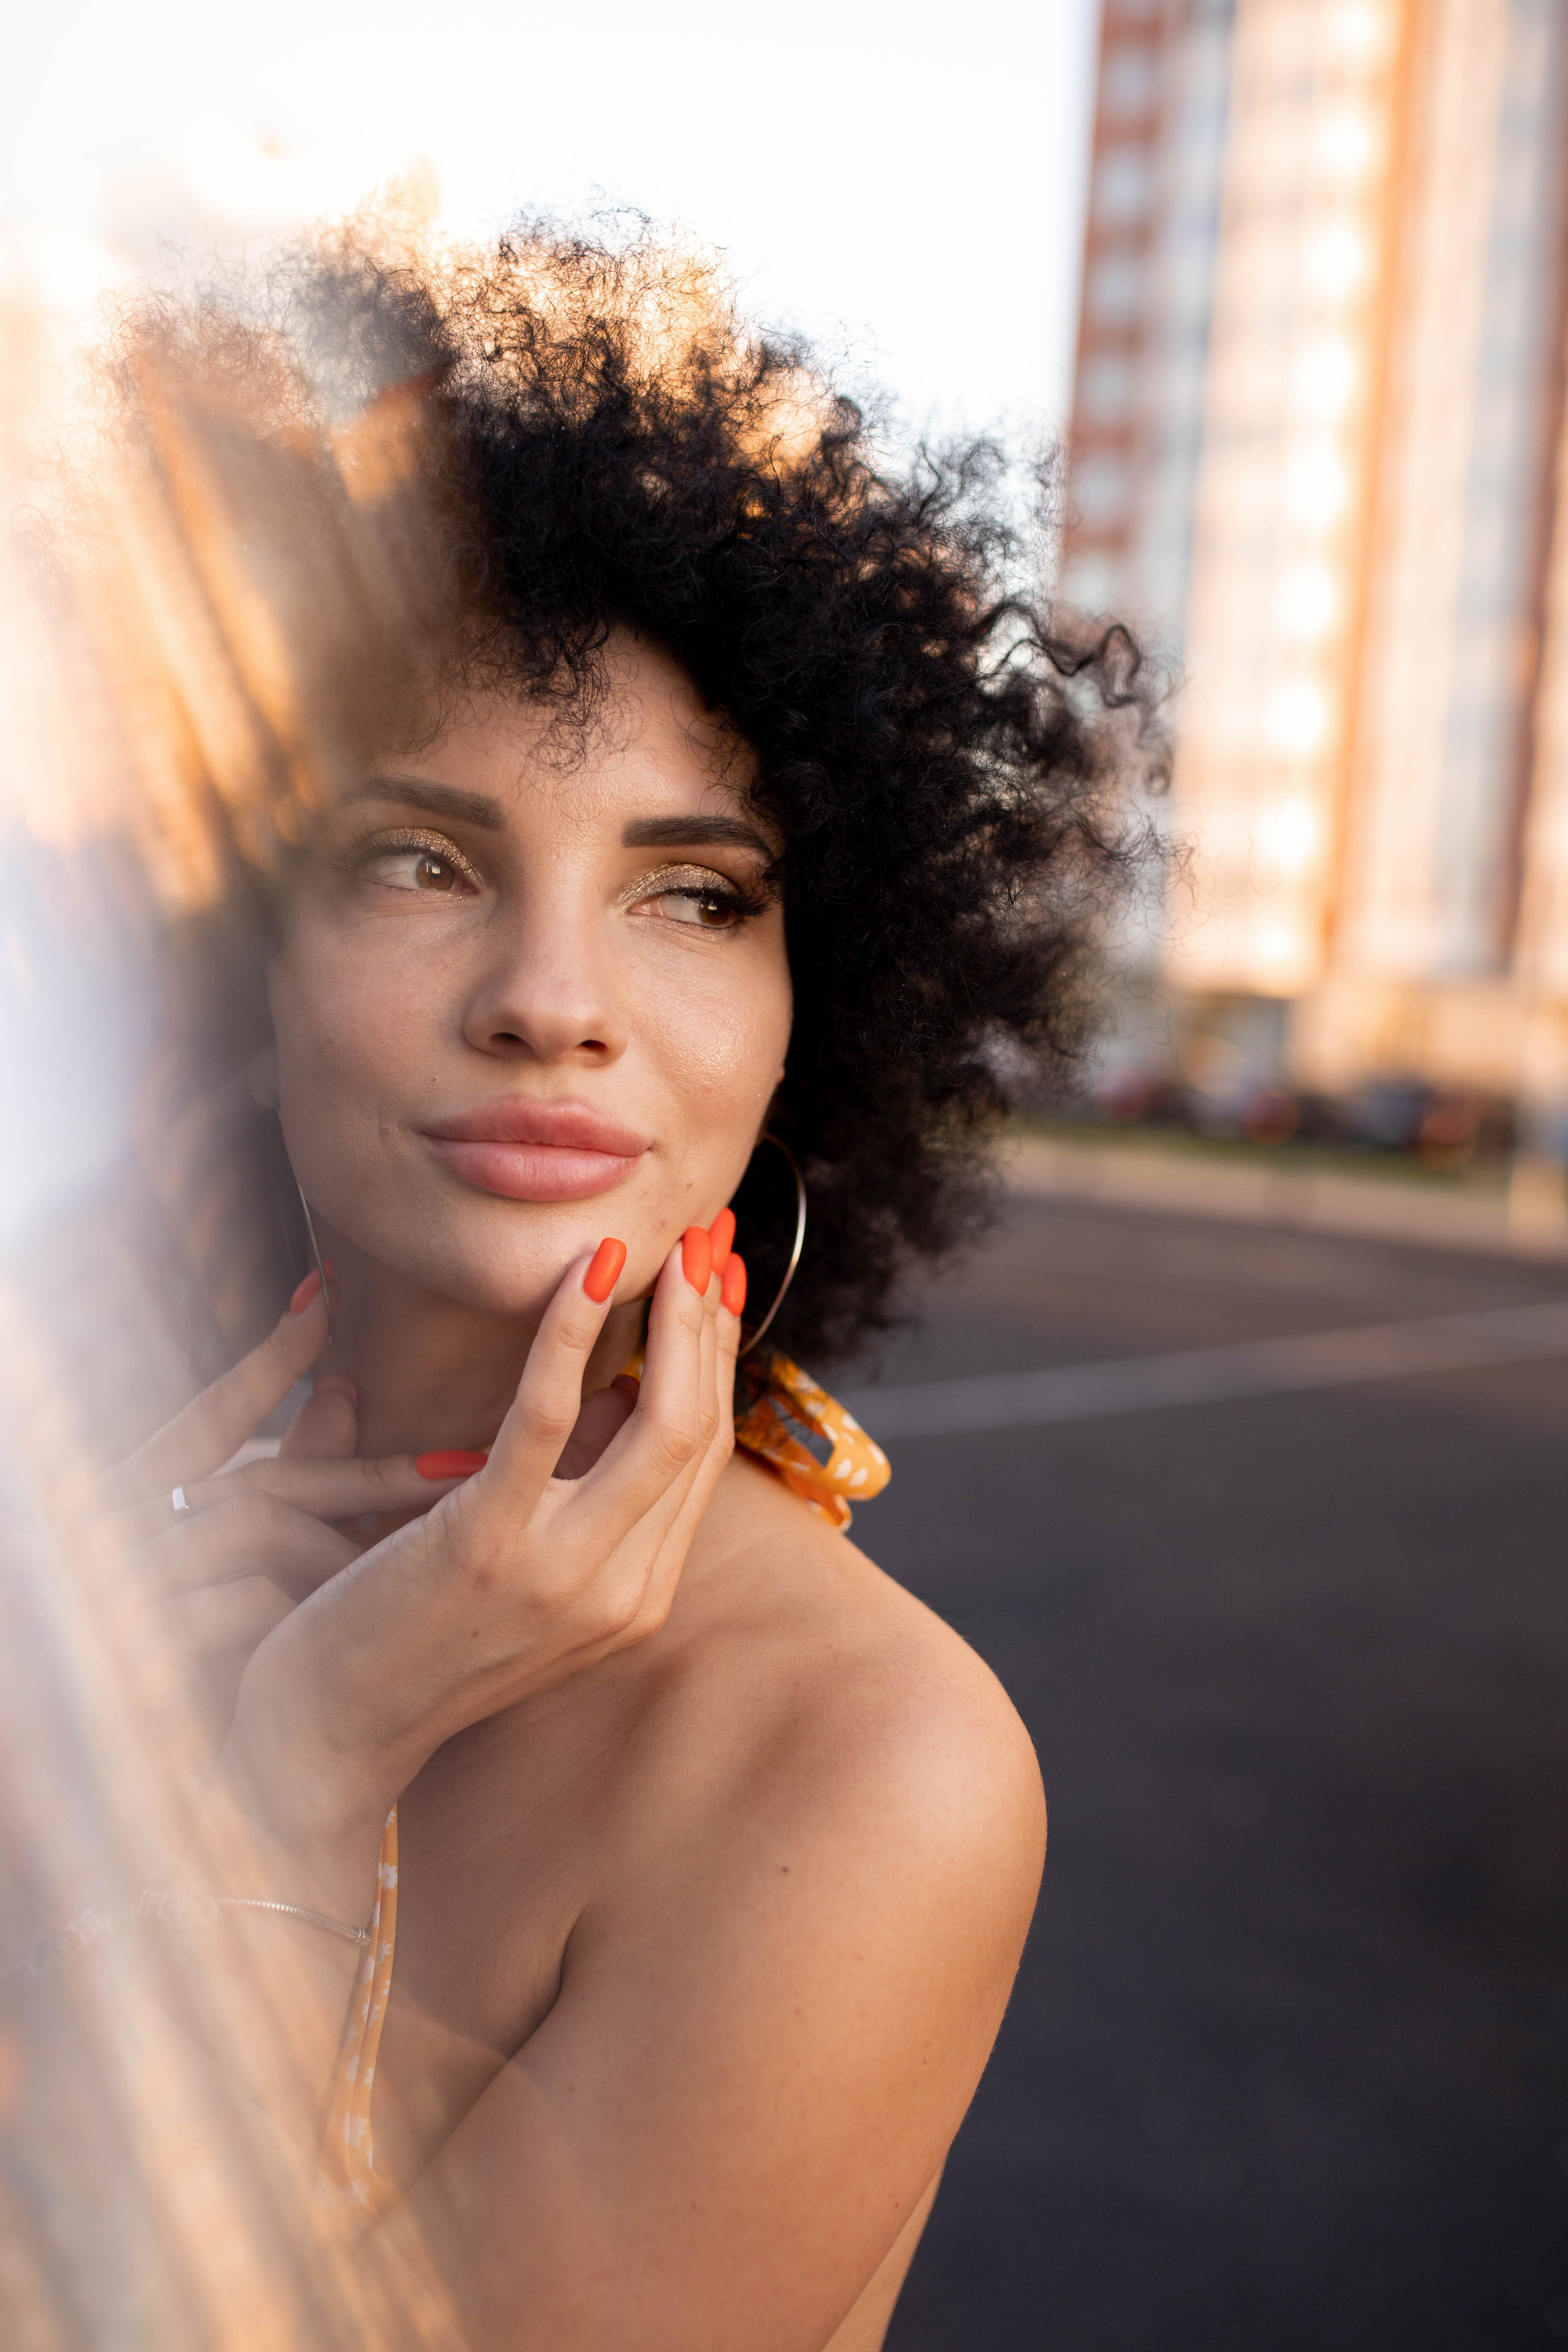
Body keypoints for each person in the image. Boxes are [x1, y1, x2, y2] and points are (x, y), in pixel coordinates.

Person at [51, 222, 1136, 2350]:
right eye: (419, 860)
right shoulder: (76, 1567)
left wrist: (286, 1781)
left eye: (694, 895)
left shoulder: (860, 1763)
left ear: (816, 1011)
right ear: (235, 970)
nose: (552, 1000)